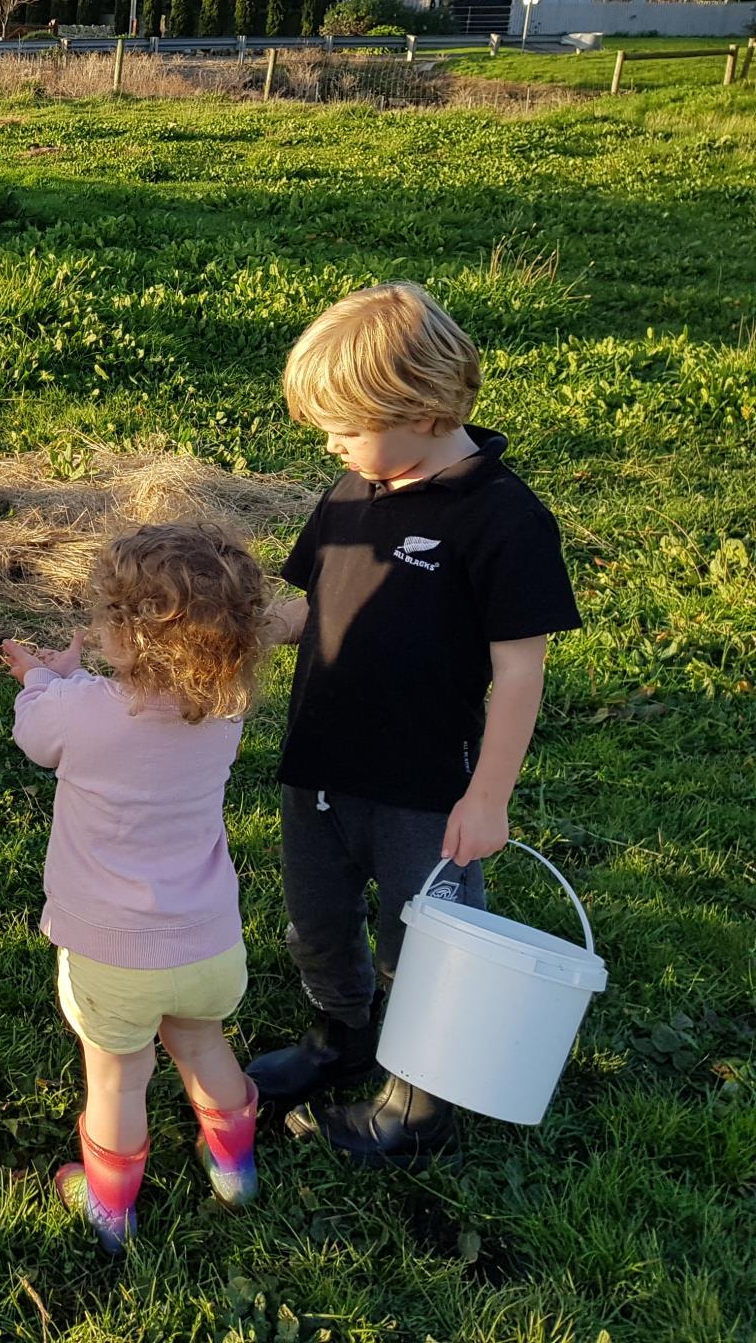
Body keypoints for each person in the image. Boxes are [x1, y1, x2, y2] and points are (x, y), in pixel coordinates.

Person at [248, 281, 581, 1166]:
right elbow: (308, 609)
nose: (334, 447)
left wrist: (489, 796)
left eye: (346, 429)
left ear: (424, 407)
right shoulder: (353, 490)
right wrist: (226, 631)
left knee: (421, 939)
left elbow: (520, 669)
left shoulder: (504, 520)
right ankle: (339, 1039)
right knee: (316, 920)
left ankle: (417, 1102)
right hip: (320, 765)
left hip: (425, 788)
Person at [1, 523, 269, 1253]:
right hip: (208, 941)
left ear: (130, 635)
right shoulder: (224, 712)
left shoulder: (79, 710)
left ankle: (110, 1207)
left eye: (103, 619)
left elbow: (38, 733)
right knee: (204, 1047)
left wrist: (40, 676)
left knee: (118, 1079)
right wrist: (71, 684)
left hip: (111, 951)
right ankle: (234, 1168)